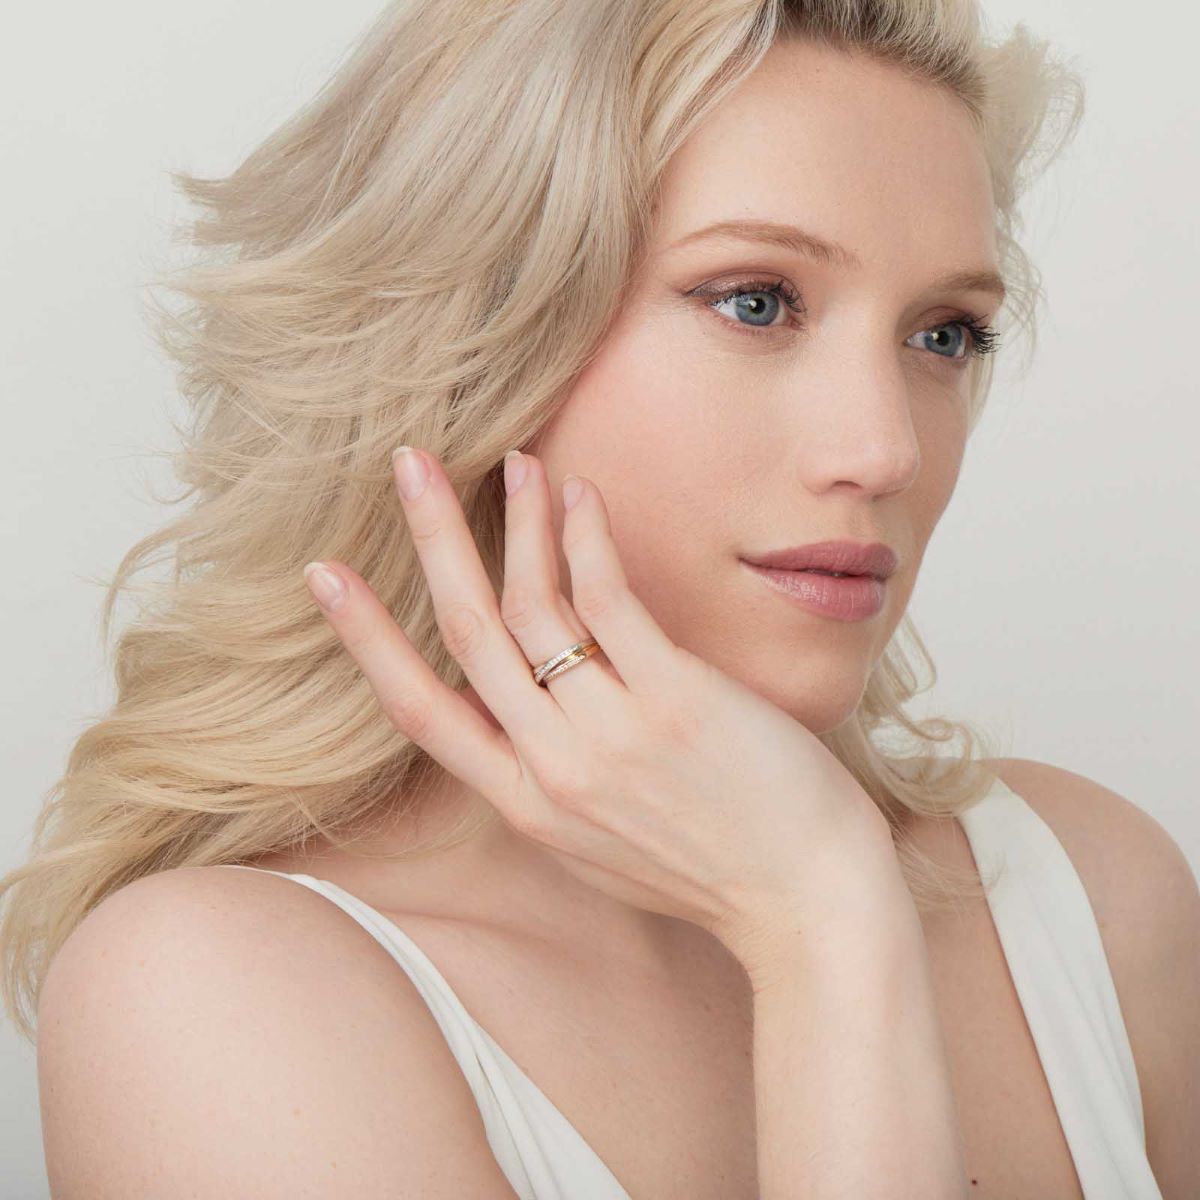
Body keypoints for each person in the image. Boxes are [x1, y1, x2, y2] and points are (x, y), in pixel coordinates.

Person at [4, 1, 1192, 1197]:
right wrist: (823, 925)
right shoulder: (213, 999)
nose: (887, 450)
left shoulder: (1089, 896)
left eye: (944, 335)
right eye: (756, 301)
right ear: (474, 341)